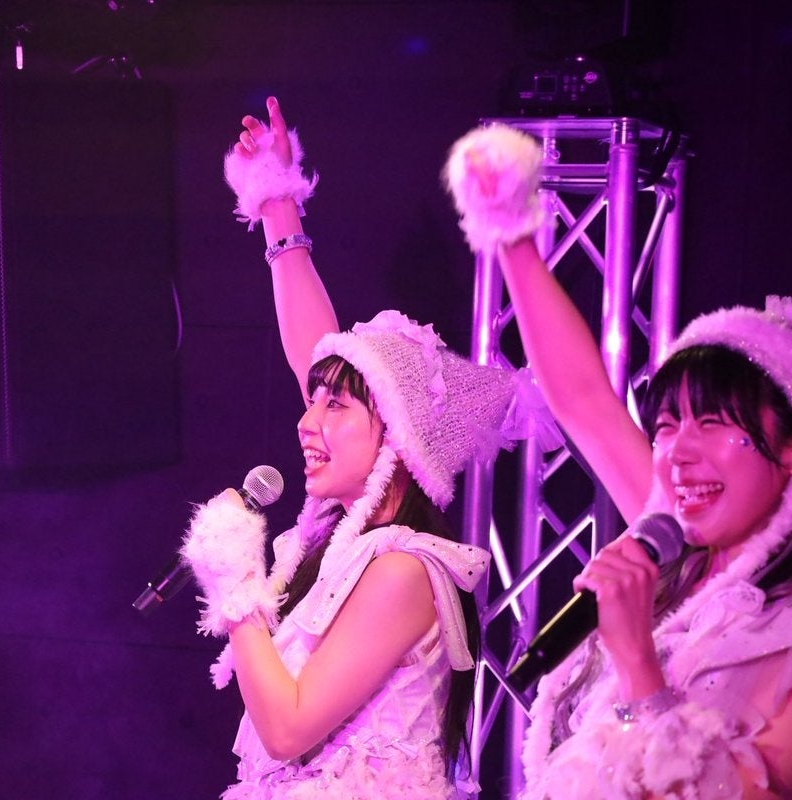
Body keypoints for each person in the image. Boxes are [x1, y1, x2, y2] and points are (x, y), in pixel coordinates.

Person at [441, 124, 792, 798]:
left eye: (712, 422)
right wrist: (510, 233)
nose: (678, 453)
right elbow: (583, 399)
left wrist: (638, 664)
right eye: (667, 425)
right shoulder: (674, 569)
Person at [178, 98, 557, 800]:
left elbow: (288, 728)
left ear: (398, 442)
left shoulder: (404, 570)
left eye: (335, 405)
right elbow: (315, 346)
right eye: (311, 400)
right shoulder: (338, 550)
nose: (306, 422)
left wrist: (236, 586)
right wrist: (276, 201)